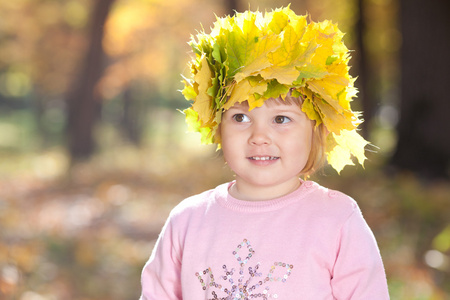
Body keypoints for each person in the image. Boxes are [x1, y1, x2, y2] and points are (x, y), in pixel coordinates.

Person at [140, 6, 389, 300]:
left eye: (281, 119)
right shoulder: (187, 221)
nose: (259, 137)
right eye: (240, 118)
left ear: (316, 129)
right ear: (217, 126)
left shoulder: (337, 220)